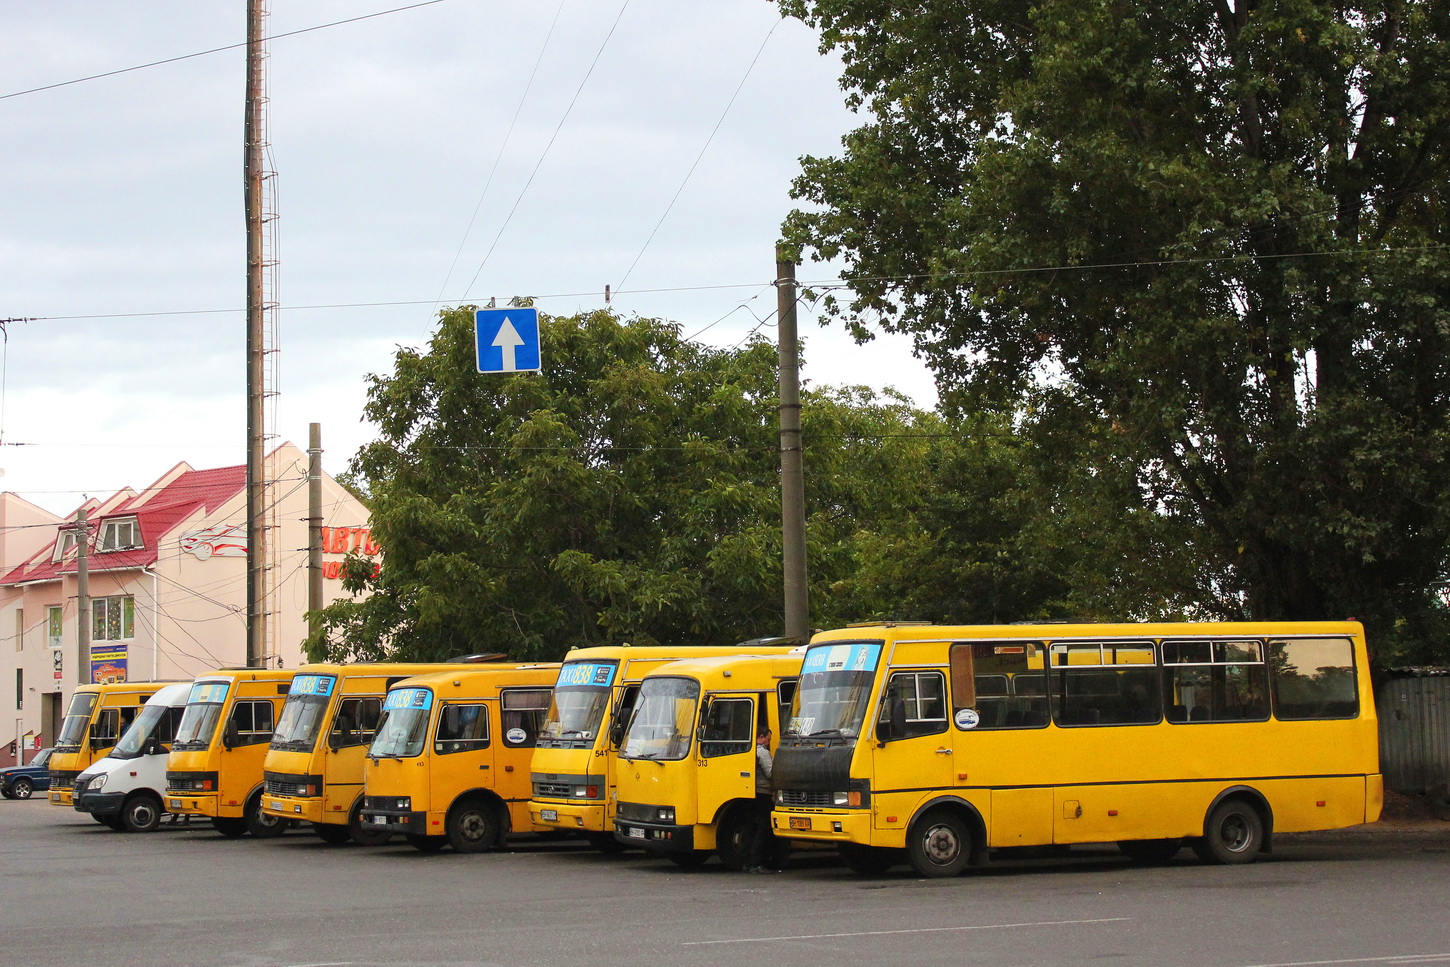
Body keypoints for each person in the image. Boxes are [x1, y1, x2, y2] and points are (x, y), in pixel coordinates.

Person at [745, 727, 778, 873]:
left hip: (751, 793)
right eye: (768, 739)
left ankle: (748, 862)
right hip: (763, 793)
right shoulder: (762, 752)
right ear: (762, 737)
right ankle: (757, 863)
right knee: (763, 829)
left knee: (751, 828)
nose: (769, 742)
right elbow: (770, 773)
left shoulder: (749, 750)